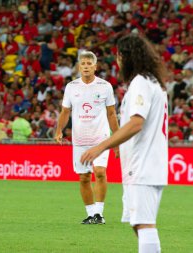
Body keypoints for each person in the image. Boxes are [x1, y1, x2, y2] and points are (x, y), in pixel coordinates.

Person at [81, 34, 168, 253]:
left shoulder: (141, 83)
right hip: (145, 164)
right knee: (139, 224)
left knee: (145, 225)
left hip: (144, 165)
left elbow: (136, 123)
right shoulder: (152, 82)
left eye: (119, 56)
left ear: (126, 57)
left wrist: (102, 146)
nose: (117, 61)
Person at [55, 50, 119, 225]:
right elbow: (65, 111)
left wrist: (117, 140)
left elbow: (111, 114)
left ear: (95, 67)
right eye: (83, 64)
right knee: (83, 177)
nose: (86, 67)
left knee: (99, 172)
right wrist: (59, 130)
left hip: (101, 138)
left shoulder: (105, 87)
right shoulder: (71, 87)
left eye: (89, 64)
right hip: (80, 140)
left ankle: (99, 213)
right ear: (79, 67)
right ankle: (91, 214)